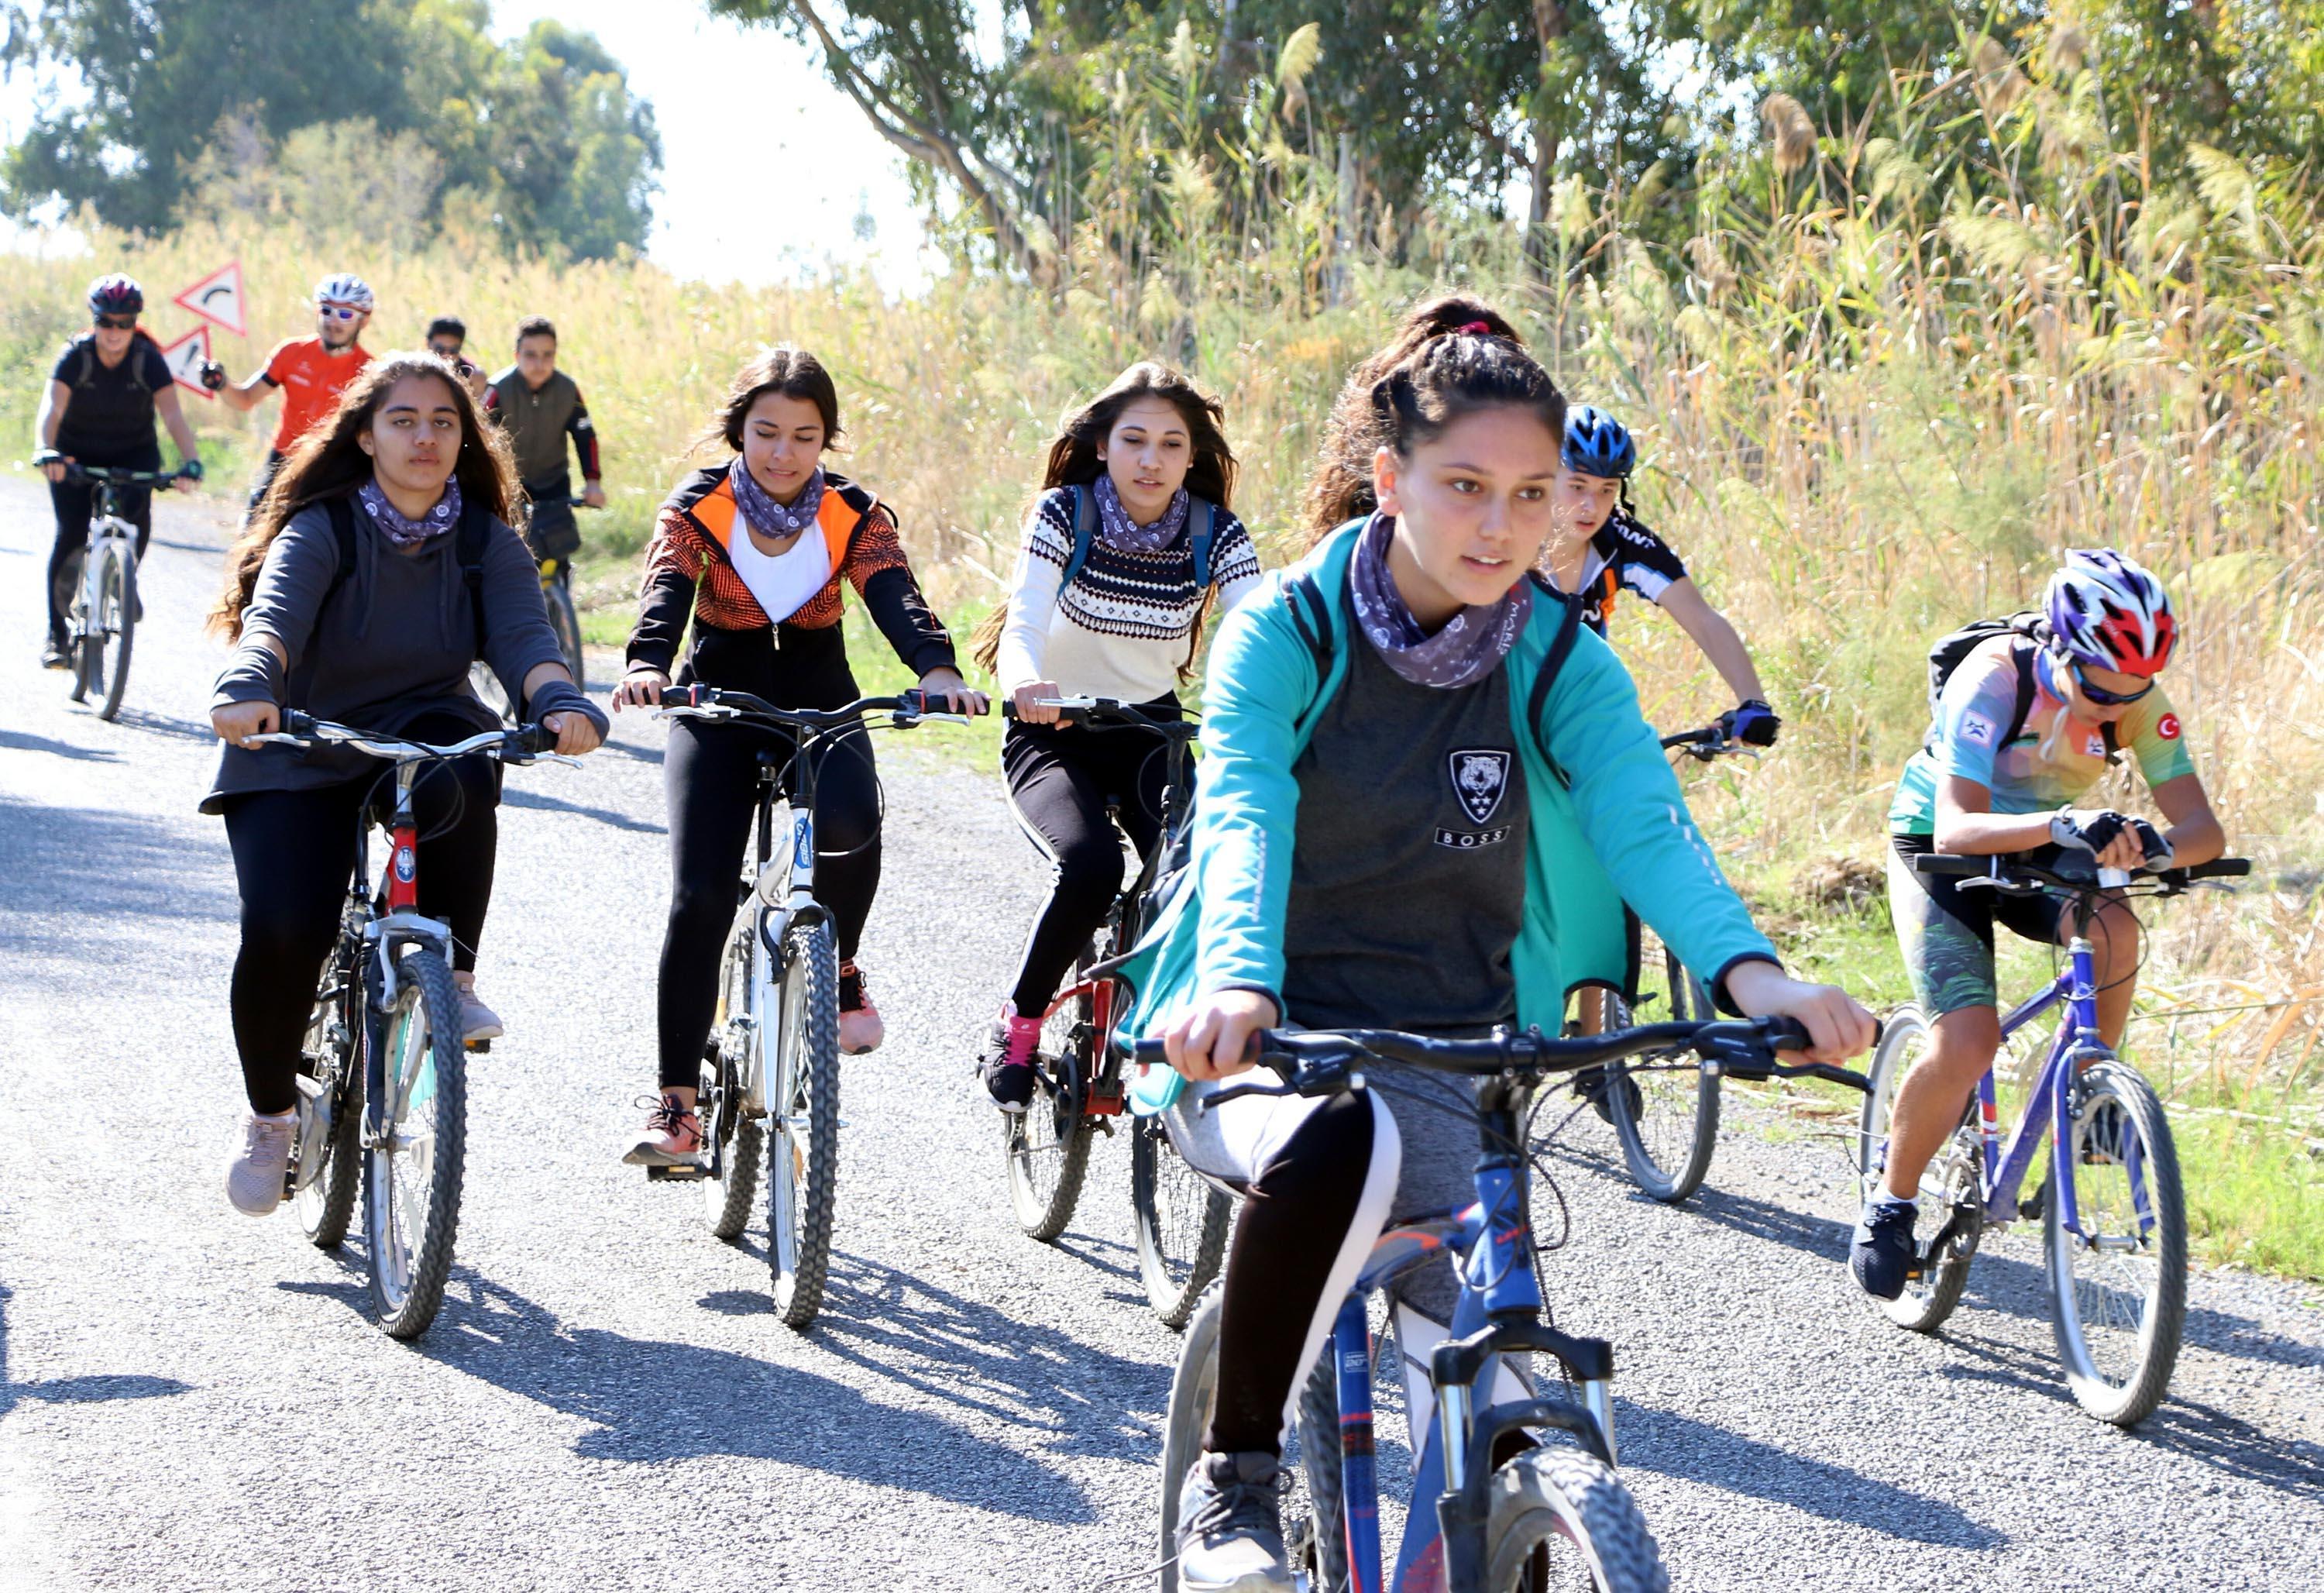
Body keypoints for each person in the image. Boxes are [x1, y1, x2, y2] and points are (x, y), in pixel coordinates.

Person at [1129, 296, 1875, 1592]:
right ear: (1388, 477)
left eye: (1532, 496)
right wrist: (1240, 984)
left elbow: (1648, 828)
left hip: (1451, 1047)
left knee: (1515, 1416)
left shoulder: (1555, 656)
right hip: (1264, 1039)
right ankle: (1232, 1476)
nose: (1500, 524)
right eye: (1465, 486)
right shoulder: (1289, 630)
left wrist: (1760, 977)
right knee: (1344, 1142)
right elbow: (1246, 804)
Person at [202, 351, 607, 1218]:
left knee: (469, 756)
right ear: (366, 434)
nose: (425, 437)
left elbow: (525, 641)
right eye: (404, 420)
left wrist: (562, 699)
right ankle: (273, 1116)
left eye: (444, 422)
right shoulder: (325, 526)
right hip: (297, 733)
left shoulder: (485, 540)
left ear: (466, 438)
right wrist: (249, 683)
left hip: (419, 720)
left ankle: (446, 975)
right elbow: (274, 620)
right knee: (283, 929)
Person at [611, 346, 986, 1166]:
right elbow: (667, 588)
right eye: (767, 432)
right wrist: (647, 663)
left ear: (828, 440)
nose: (783, 453)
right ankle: (677, 1107)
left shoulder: (853, 512)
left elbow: (895, 590)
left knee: (853, 821)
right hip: (717, 702)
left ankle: (839, 962)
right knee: (700, 896)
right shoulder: (699, 507)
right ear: (738, 430)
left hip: (820, 701)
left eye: (804, 436)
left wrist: (938, 669)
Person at [1855, 550, 2224, 1299]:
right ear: (2060, 647)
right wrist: (2065, 820)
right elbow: (1957, 827)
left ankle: (2091, 1098)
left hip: (2051, 842)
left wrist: (2154, 843)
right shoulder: (1994, 679)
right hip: (1940, 850)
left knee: (2116, 923)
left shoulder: (2135, 701)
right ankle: (1890, 1202)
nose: (2116, 709)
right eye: (2098, 689)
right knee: (1968, 1040)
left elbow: (2204, 832)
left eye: (2134, 690)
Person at [973, 363, 1263, 1111]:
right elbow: (1027, 619)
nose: (1151, 460)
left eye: (1171, 444)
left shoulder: (1215, 532)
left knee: (1197, 871)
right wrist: (1026, 684)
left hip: (1150, 731)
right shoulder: (1063, 513)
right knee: (1092, 864)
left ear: (1191, 456)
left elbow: (1261, 630)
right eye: (1134, 440)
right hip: (1054, 728)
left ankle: (1159, 1016)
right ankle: (1022, 1022)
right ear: (1102, 445)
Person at [1538, 404, 1777, 746]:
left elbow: (1703, 620)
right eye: (1577, 486)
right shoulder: (1511, 534)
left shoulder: (1621, 539)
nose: (1592, 506)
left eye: (1607, 489)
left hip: (1577, 714)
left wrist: (1753, 702)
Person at [33, 274, 203, 669]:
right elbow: (52, 408)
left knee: (138, 520)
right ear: (94, 320)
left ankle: (120, 581)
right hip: (74, 454)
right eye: (106, 322)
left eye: (124, 323)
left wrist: (190, 461)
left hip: (134, 452)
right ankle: (57, 635)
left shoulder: (148, 359)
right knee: (71, 533)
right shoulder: (76, 356)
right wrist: (48, 449)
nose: (114, 331)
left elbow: (173, 416)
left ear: (135, 323)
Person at [204, 273, 376, 513]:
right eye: (326, 310)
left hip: (332, 466)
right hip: (284, 458)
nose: (333, 321)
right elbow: (245, 399)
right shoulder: (291, 353)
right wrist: (221, 384)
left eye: (345, 314)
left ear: (364, 320)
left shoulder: (370, 371)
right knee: (253, 528)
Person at [484, 315, 605, 566]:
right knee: (515, 558)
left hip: (554, 483)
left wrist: (593, 481)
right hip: (511, 485)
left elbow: (585, 435)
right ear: (516, 355)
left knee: (558, 557)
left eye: (547, 355)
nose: (539, 363)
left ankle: (561, 597)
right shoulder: (497, 389)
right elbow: (480, 438)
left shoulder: (568, 389)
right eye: (530, 355)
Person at [425, 315, 490, 401]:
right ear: (427, 344)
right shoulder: (414, 372)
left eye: (453, 350)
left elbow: (480, 412)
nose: (447, 356)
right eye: (440, 349)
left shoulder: (474, 376)